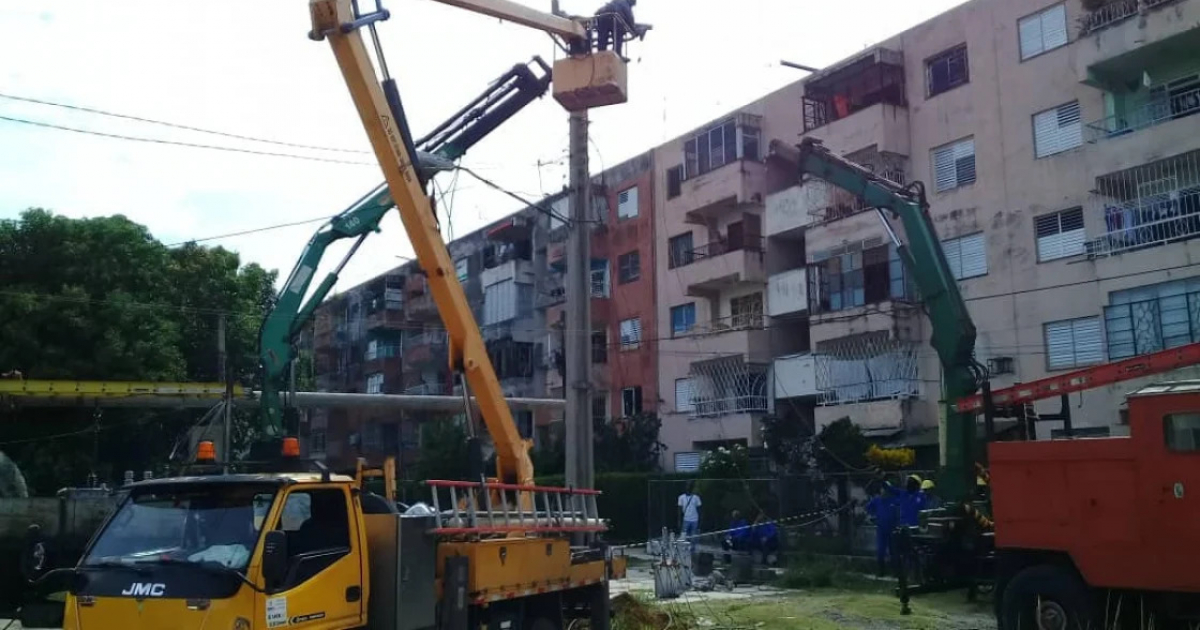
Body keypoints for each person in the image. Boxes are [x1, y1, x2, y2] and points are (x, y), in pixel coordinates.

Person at [865, 484, 897, 577]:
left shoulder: (894, 499)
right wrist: (872, 516)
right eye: (883, 489)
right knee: (880, 550)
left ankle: (895, 572)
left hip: (892, 529)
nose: (884, 491)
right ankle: (881, 571)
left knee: (893, 551)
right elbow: (868, 508)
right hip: (881, 529)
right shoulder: (877, 500)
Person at [677, 481, 701, 553]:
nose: (688, 487)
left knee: (693, 536)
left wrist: (700, 520)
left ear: (692, 488)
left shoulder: (696, 497)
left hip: (695, 519)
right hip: (685, 519)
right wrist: (679, 520)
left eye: (690, 486)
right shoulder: (681, 497)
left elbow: (699, 510)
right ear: (685, 487)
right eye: (687, 486)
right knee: (683, 535)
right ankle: (683, 550)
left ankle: (692, 550)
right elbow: (679, 510)